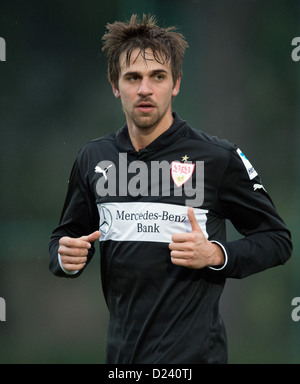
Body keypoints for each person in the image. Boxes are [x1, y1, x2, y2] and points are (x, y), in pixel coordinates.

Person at [49, 14, 292, 364]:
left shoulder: (219, 157)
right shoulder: (93, 157)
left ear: (176, 83)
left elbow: (278, 240)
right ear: (115, 85)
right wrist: (65, 258)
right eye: (132, 77)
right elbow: (66, 239)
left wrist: (215, 255)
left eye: (157, 77)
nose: (144, 89)